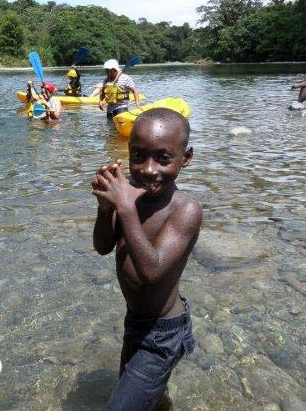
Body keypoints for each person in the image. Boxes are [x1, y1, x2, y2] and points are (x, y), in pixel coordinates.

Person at [92, 108, 202, 410]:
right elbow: (102, 246)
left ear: (186, 157)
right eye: (138, 155)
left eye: (163, 158)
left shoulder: (185, 209)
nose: (148, 169)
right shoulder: (126, 194)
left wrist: (125, 208)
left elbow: (151, 271)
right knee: (145, 397)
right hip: (136, 321)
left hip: (163, 332)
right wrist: (105, 208)